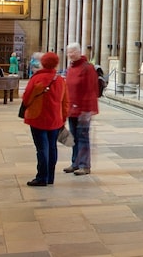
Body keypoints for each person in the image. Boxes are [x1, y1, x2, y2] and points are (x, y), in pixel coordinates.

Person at [21, 52, 69, 186]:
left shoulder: (37, 78)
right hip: (55, 118)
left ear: (43, 63)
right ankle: (50, 177)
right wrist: (63, 117)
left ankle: (42, 177)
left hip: (38, 118)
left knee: (42, 148)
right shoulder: (60, 80)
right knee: (52, 147)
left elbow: (26, 98)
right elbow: (66, 102)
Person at [63, 42, 99, 175]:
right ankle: (75, 163)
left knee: (83, 137)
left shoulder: (87, 68)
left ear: (79, 52)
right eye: (69, 52)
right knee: (74, 137)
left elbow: (91, 90)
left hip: (83, 110)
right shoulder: (70, 68)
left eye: (73, 51)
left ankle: (85, 165)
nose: (71, 54)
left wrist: (87, 110)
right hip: (72, 109)